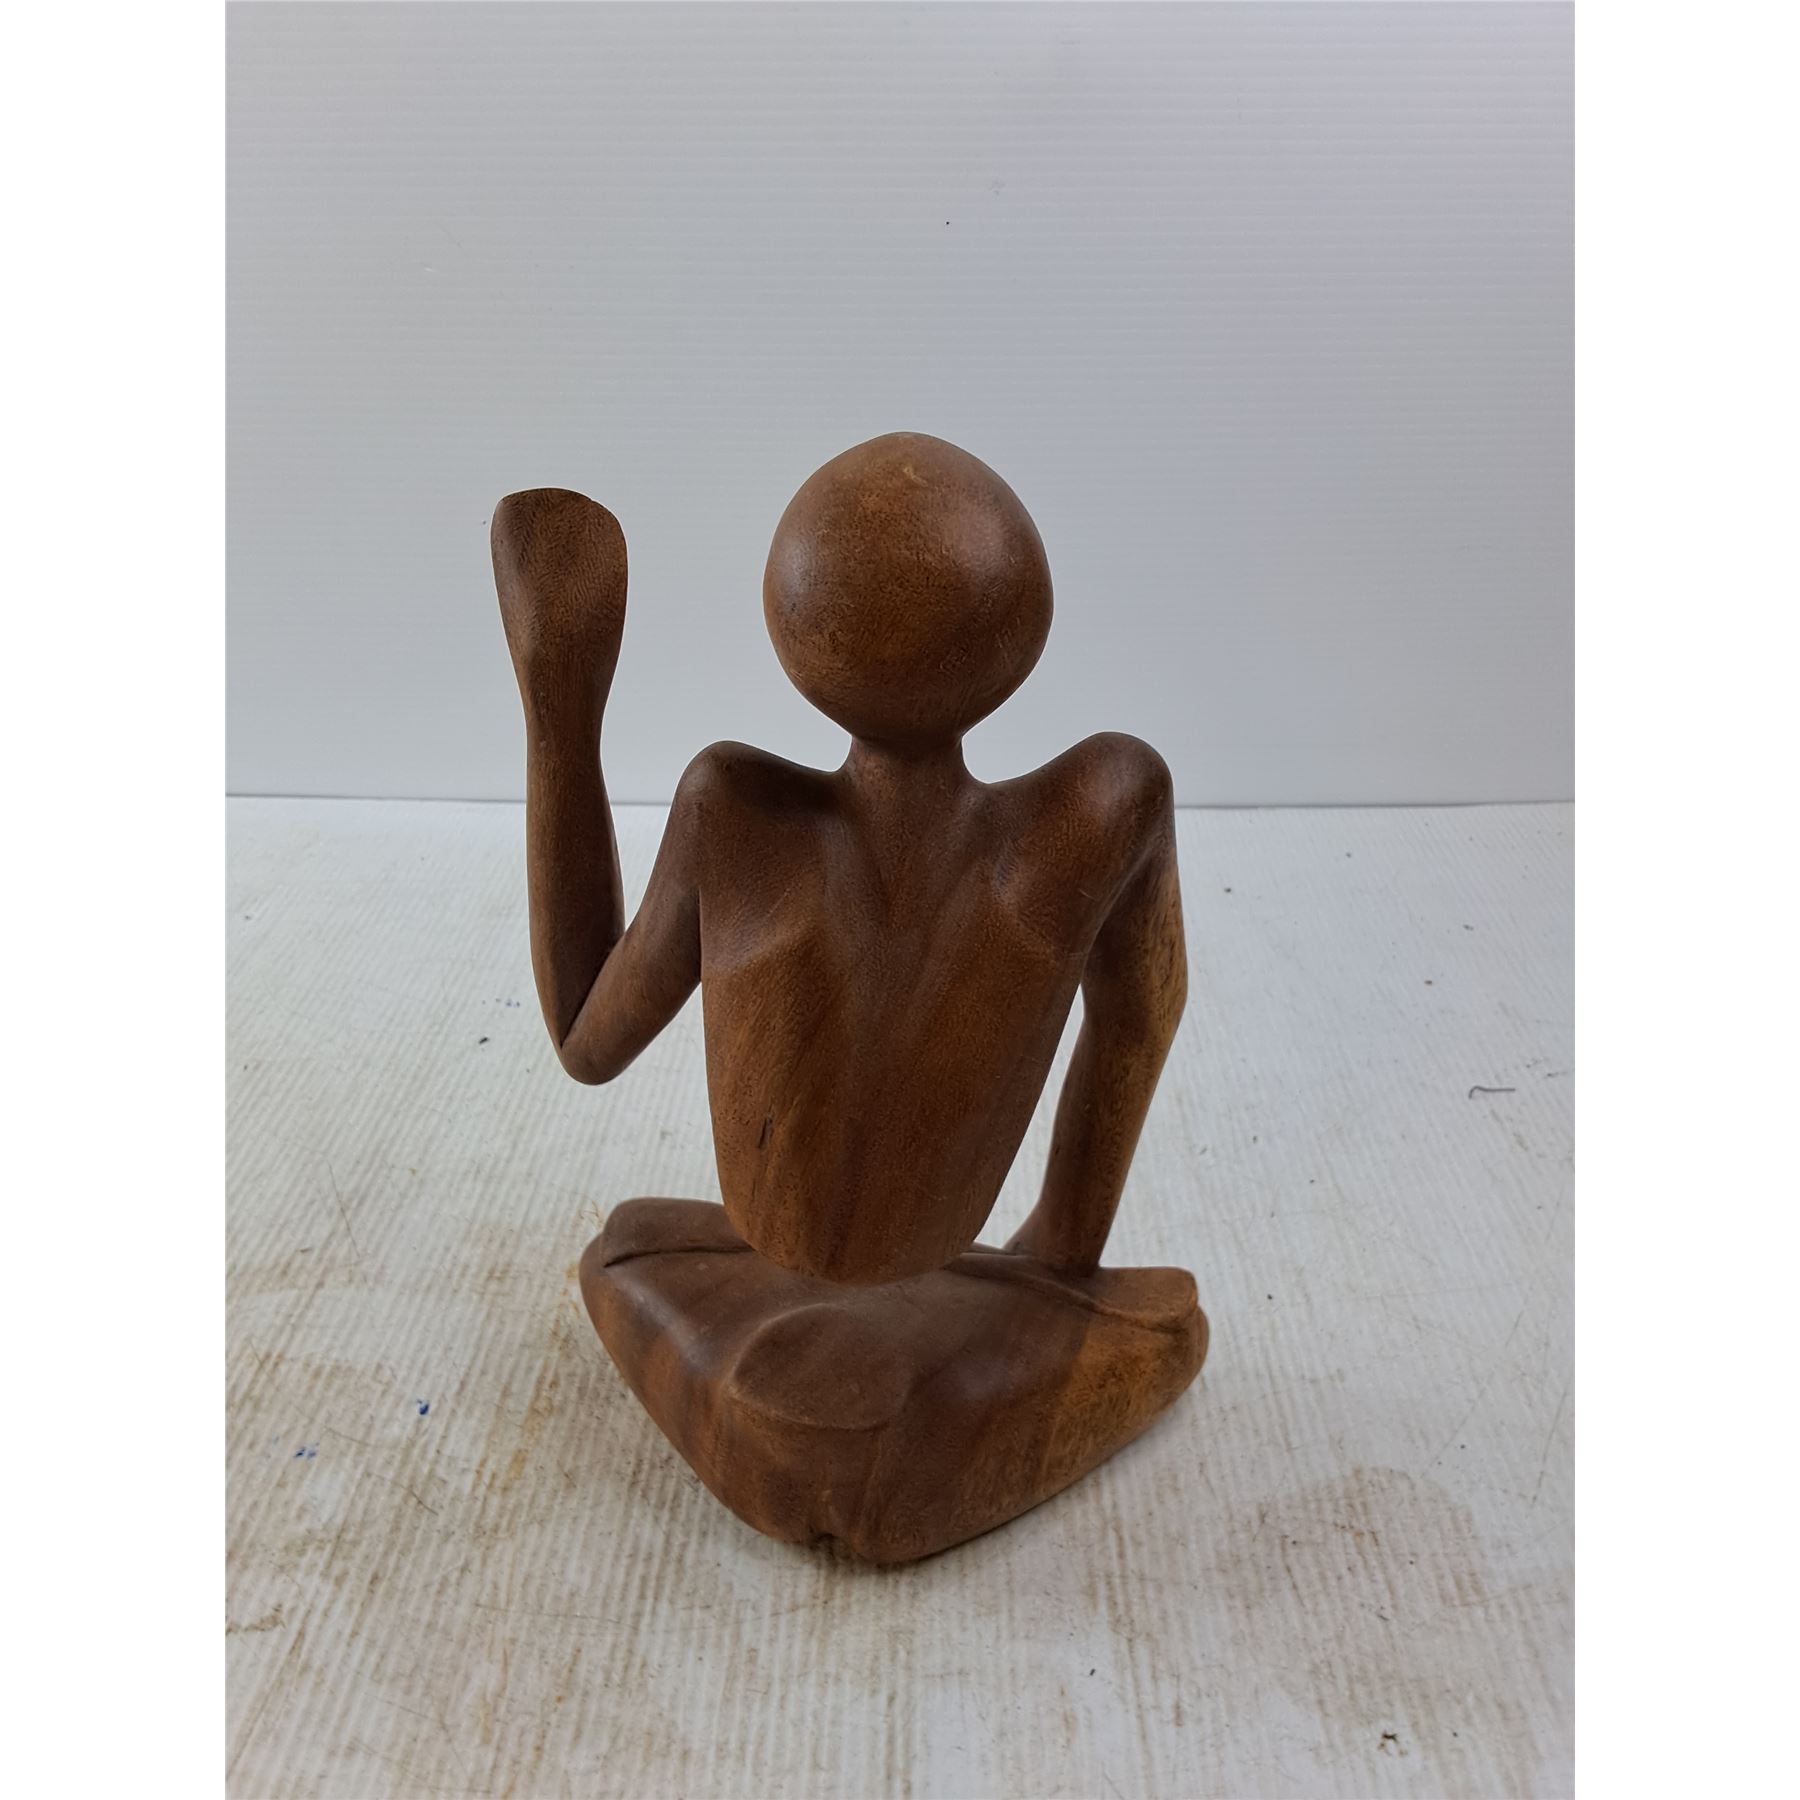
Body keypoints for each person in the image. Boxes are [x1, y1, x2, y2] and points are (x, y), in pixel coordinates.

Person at [492, 433, 1205, 1561]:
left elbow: (586, 1040)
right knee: (632, 1237)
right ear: (1020, 626)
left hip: (752, 1370)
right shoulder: (1102, 809)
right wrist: (1062, 1254)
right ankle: (1000, 1351)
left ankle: (841, 1426)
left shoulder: (730, 812)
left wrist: (561, 716)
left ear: (794, 629)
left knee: (623, 1252)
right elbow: (1142, 1015)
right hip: (944, 1397)